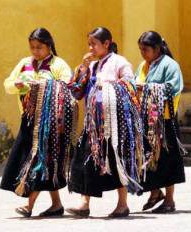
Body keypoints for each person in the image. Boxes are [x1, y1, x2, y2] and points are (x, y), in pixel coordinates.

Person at [66, 27, 144, 218]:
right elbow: (76, 92)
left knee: (117, 160)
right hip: (92, 124)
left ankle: (122, 204)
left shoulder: (120, 62)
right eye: (89, 44)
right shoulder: (91, 65)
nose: (91, 48)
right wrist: (82, 69)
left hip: (115, 125)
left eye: (94, 44)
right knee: (86, 160)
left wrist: (108, 85)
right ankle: (84, 203)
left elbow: (130, 86)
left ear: (107, 44)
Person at [0, 27, 72, 217]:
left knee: (39, 161)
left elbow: (67, 85)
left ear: (49, 46)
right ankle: (56, 205)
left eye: (39, 47)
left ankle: (29, 206)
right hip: (29, 120)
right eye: (32, 47)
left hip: (50, 124)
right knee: (45, 164)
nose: (35, 51)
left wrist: (41, 85)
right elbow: (8, 83)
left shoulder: (58, 65)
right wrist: (15, 85)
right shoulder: (25, 64)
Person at [135, 31, 185, 213]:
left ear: (157, 49)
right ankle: (155, 192)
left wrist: (146, 88)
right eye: (140, 49)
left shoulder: (170, 65)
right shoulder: (143, 66)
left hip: (164, 119)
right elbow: (135, 85)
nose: (142, 53)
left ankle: (170, 199)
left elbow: (173, 88)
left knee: (168, 159)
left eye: (145, 49)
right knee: (150, 158)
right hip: (146, 119)